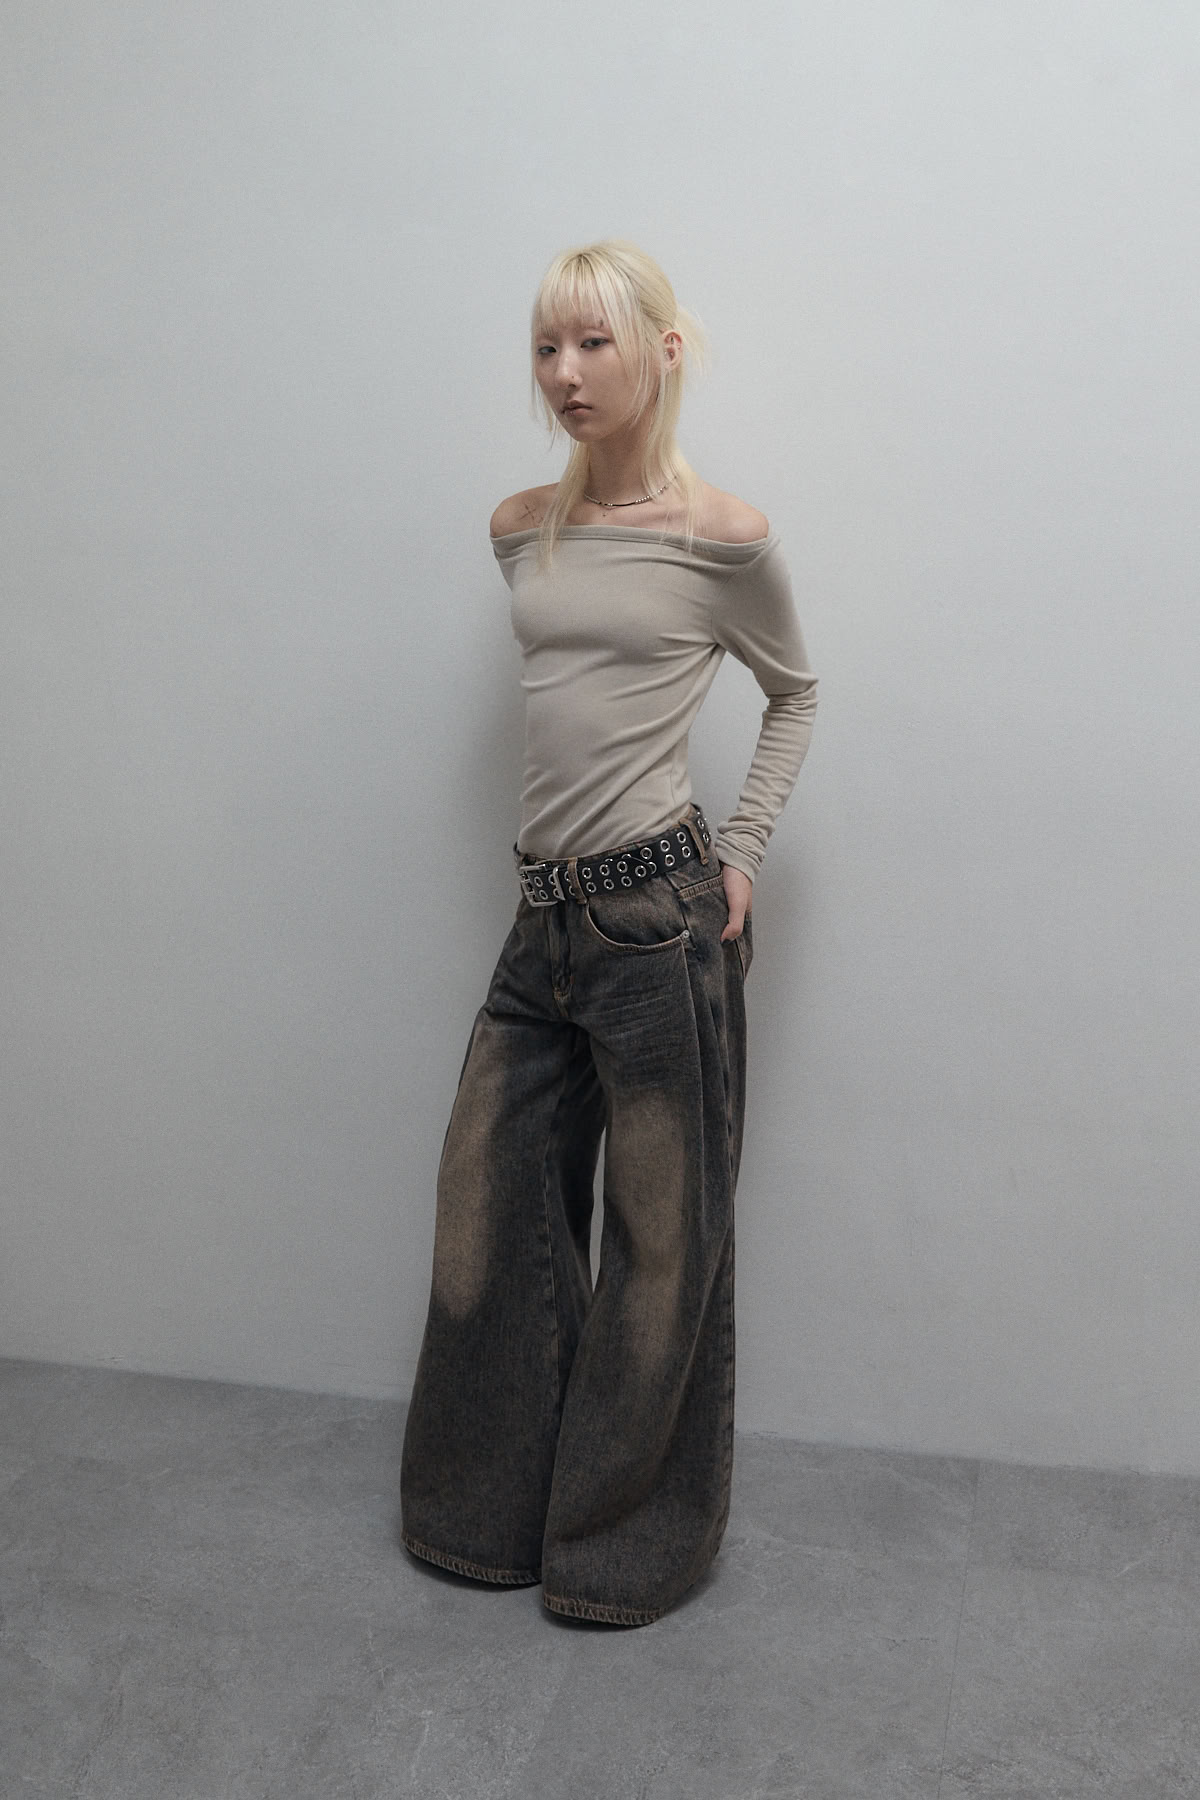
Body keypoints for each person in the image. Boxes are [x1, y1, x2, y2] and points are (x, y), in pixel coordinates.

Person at [400, 238, 818, 1626]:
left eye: (592, 344)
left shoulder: (724, 538)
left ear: (663, 352)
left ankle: (622, 1552)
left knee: (660, 1246)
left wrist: (741, 852)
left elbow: (795, 693)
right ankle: (483, 1522)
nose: (564, 374)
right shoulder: (522, 525)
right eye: (545, 347)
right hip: (541, 922)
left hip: (655, 922)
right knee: (489, 1214)